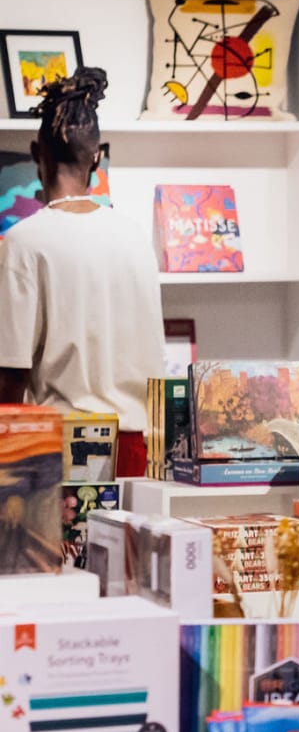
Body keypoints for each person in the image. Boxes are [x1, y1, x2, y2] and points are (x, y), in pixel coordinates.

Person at [0, 67, 164, 476]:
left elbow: (10, 377)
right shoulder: (135, 237)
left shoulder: (24, 242)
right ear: (97, 156)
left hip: (57, 449)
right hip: (138, 448)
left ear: (39, 153)